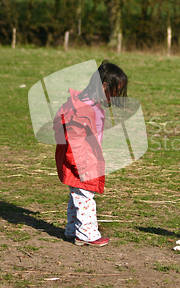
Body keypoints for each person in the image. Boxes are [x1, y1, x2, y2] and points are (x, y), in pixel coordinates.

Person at [53, 60, 128, 246]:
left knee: (77, 197)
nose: (116, 96)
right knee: (85, 198)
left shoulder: (88, 104)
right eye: (115, 91)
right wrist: (83, 164)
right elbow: (75, 140)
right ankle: (87, 234)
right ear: (104, 86)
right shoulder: (81, 110)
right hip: (80, 162)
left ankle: (72, 229)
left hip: (81, 160)